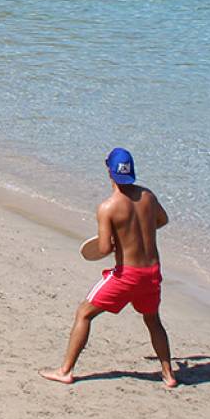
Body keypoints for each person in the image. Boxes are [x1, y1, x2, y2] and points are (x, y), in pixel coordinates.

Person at [39, 148, 176, 389]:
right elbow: (162, 220)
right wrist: (138, 232)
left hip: (126, 275)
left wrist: (118, 239)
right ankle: (168, 375)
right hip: (152, 273)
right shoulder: (148, 196)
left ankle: (65, 371)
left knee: (84, 313)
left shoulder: (108, 207)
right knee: (153, 319)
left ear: (109, 172)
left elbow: (103, 248)